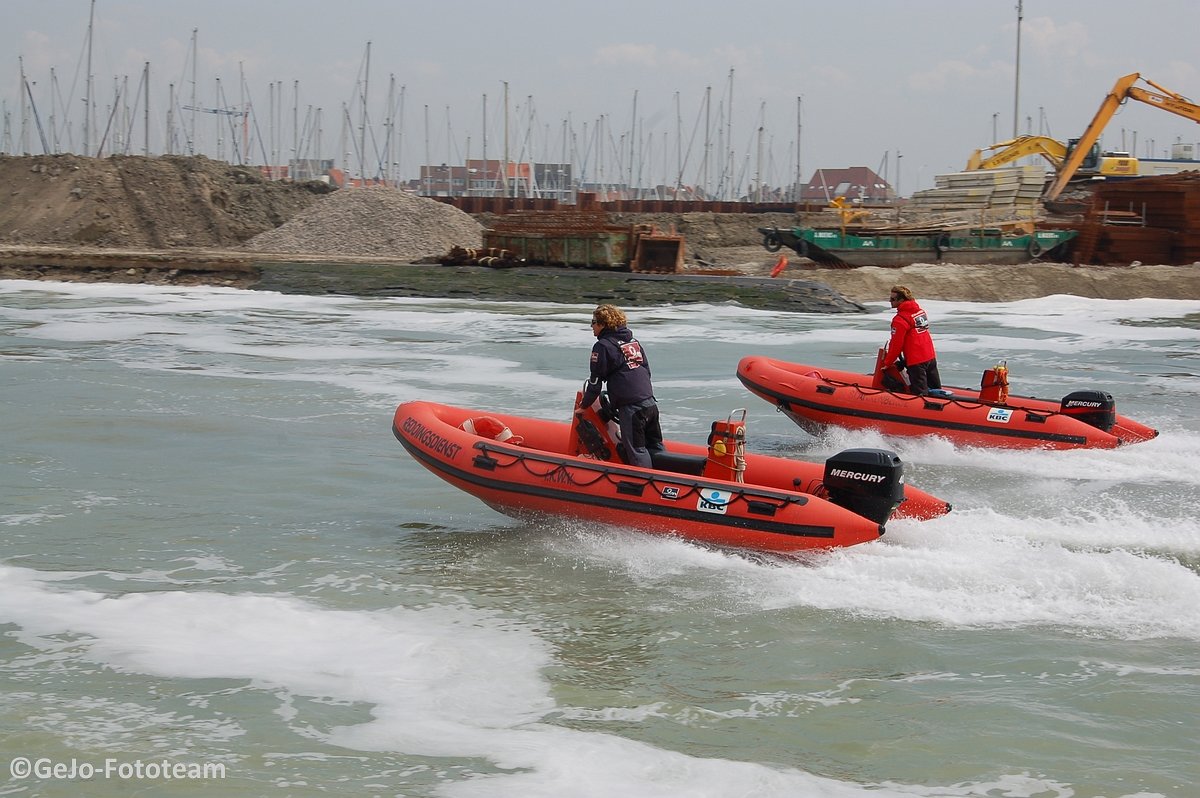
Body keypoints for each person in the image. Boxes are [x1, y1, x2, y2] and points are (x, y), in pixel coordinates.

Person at [581, 304, 664, 468]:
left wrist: (584, 406)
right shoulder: (633, 342)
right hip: (650, 403)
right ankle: (668, 482)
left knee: (636, 450)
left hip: (631, 408)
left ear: (603, 324)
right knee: (655, 445)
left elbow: (595, 381)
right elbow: (645, 370)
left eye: (594, 322)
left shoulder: (603, 346)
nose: (591, 326)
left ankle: (645, 486)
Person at [882, 285, 943, 395]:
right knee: (936, 391)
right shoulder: (920, 312)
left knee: (920, 395)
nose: (890, 301)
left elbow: (896, 344)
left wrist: (887, 362)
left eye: (892, 299)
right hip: (930, 356)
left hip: (916, 362)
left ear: (901, 300)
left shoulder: (899, 320)